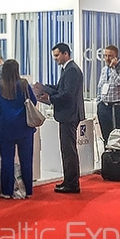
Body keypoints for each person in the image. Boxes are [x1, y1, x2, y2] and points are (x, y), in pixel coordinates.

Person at [34, 42, 84, 194]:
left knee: (68, 151)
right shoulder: (68, 69)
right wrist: (45, 87)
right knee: (67, 150)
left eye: (57, 55)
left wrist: (50, 98)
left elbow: (67, 94)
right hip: (68, 115)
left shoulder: (72, 70)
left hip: (69, 115)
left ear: (65, 54)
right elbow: (60, 88)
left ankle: (72, 183)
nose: (55, 59)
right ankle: (69, 180)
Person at [0, 59, 37, 200]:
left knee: (6, 160)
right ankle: (28, 190)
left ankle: (6, 191)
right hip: (24, 127)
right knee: (26, 160)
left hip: (6, 127)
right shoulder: (24, 84)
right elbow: (33, 101)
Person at [96, 44, 120, 152]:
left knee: (119, 133)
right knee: (106, 134)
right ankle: (108, 157)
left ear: (116, 57)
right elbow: (100, 87)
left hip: (118, 106)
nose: (107, 58)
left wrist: (113, 68)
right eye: (105, 56)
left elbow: (118, 82)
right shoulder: (104, 69)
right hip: (104, 106)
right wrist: (99, 102)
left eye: (110, 56)